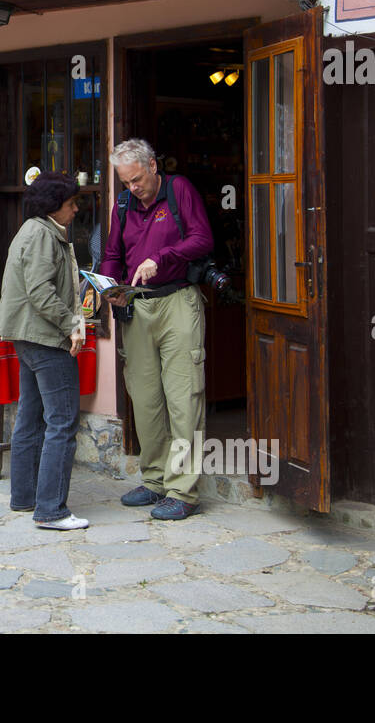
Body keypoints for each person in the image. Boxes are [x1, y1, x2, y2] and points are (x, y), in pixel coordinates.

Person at [100, 138, 214, 520]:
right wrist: (111, 287)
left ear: (152, 166)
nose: (132, 188)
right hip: (137, 305)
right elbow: (113, 253)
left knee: (184, 397)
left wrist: (162, 258)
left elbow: (202, 239)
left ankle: (182, 490)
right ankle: (154, 480)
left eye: (136, 179)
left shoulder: (178, 189)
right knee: (145, 399)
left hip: (177, 299)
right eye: (125, 182)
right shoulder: (123, 204)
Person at [0, 171, 88, 530]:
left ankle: (25, 496)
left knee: (31, 419)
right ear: (53, 206)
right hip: (45, 338)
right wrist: (71, 324)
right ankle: (51, 509)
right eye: (71, 204)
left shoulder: (34, 230)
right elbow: (40, 292)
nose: (76, 210)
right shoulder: (42, 234)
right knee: (61, 422)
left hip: (29, 337)